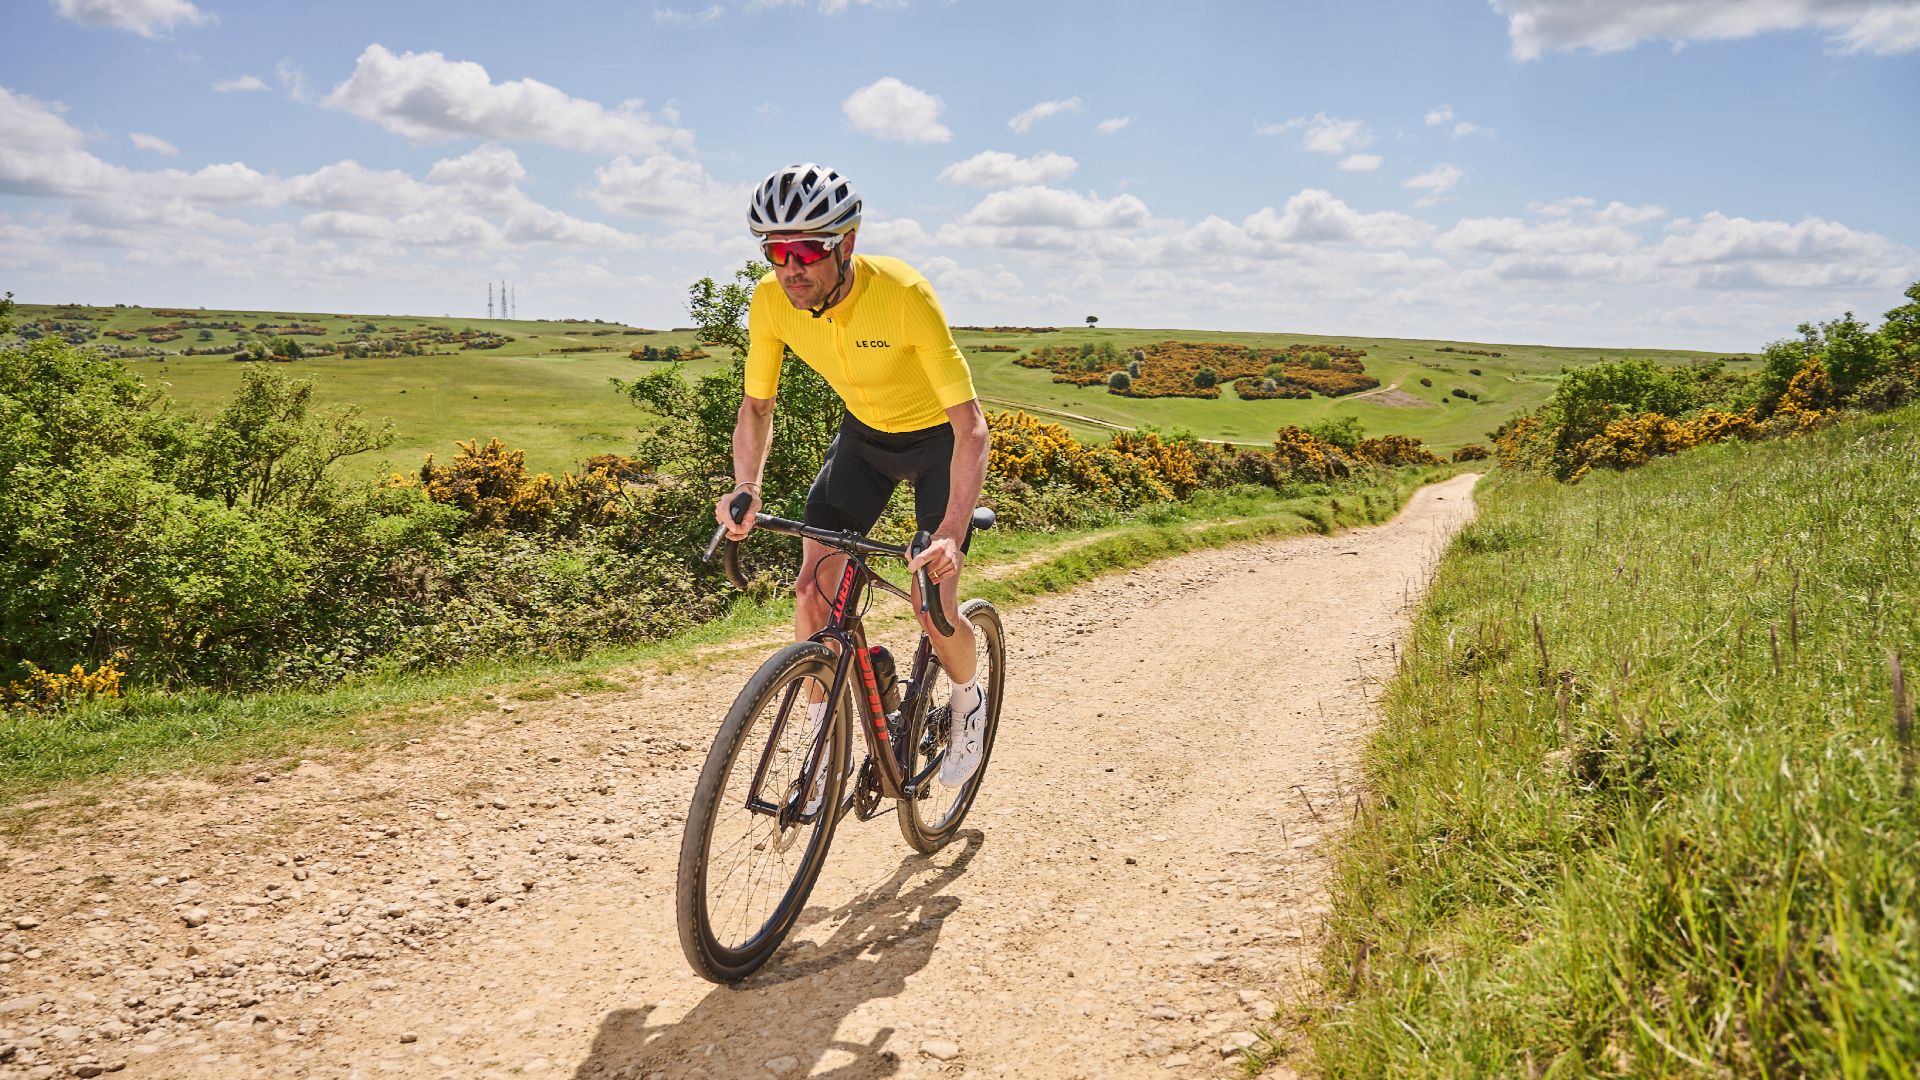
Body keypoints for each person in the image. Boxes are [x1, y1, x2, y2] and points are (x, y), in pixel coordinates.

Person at [714, 163, 989, 793]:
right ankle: (821, 739)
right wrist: (746, 487)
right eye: (776, 251)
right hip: (862, 442)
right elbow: (757, 407)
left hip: (936, 444)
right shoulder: (770, 303)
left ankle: (968, 699)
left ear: (847, 243)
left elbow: (972, 428)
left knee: (933, 604)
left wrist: (948, 534)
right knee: (812, 592)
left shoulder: (903, 295)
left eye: (807, 249)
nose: (790, 268)